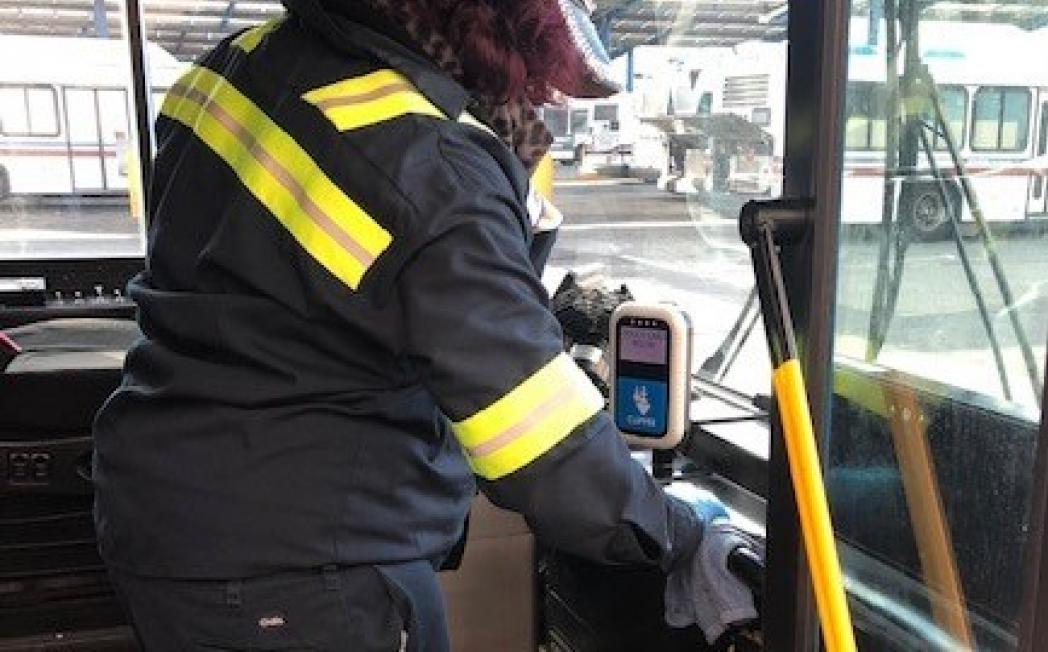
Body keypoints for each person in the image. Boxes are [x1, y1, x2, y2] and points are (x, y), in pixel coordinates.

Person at [92, 0, 736, 649]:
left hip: (159, 513)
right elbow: (543, 447)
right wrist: (679, 533)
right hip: (298, 568)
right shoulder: (430, 161)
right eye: (534, 68)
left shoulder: (234, 65)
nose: (539, 98)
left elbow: (285, 281)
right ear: (490, 33)